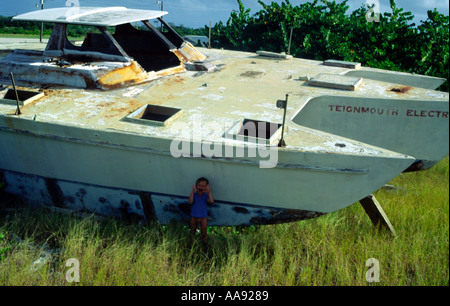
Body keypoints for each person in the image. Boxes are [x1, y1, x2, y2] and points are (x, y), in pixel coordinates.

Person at [189, 177, 214, 242]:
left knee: (204, 232)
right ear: (196, 186)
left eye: (203, 186)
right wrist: (192, 192)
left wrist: (209, 192)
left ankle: (205, 244)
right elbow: (190, 201)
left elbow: (211, 201)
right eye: (199, 185)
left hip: (203, 217)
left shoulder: (205, 195)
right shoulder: (194, 195)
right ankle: (192, 243)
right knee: (192, 231)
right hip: (194, 217)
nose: (201, 187)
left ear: (206, 187)